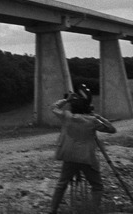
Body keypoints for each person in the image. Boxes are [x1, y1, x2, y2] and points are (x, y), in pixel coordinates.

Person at [48, 84, 117, 214]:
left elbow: (53, 107)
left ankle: (52, 210)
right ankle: (92, 210)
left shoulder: (67, 116)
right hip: (87, 158)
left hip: (69, 155)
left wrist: (67, 100)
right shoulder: (92, 120)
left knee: (61, 184)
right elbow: (112, 129)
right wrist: (98, 117)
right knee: (97, 187)